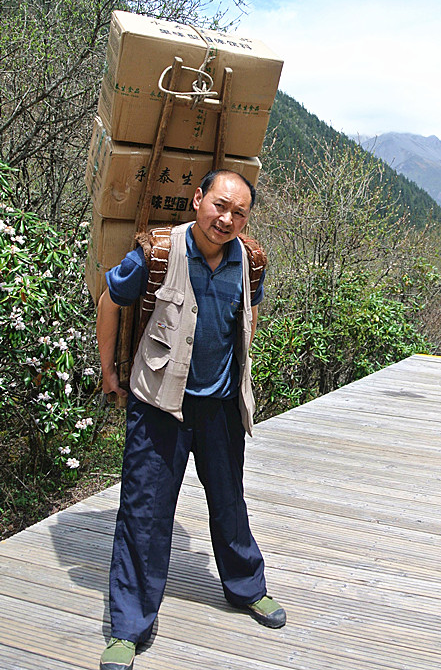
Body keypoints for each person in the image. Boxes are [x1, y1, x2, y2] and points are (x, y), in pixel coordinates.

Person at [97, 170, 286, 670]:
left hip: (220, 406)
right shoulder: (158, 253)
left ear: (247, 219)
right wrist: (108, 368)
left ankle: (246, 587)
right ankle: (128, 626)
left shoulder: (251, 262)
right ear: (198, 199)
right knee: (144, 512)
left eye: (239, 212)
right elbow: (109, 301)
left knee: (229, 502)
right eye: (219, 206)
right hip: (159, 404)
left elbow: (245, 320)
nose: (226, 219)